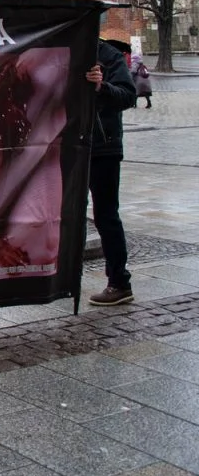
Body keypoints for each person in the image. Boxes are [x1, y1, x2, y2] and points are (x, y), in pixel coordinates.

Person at [86, 39, 137, 306]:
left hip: (103, 147)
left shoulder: (109, 54)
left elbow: (129, 95)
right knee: (67, 214)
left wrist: (101, 87)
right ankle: (63, 279)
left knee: (106, 215)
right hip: (72, 147)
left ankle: (119, 282)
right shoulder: (65, 48)